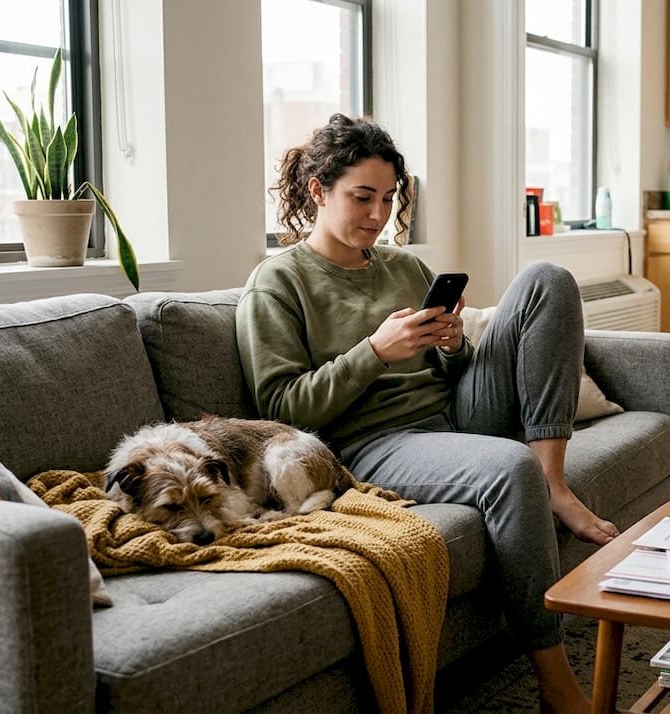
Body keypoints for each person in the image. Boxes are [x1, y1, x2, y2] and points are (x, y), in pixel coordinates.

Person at [235, 113, 617, 714]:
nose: (377, 215)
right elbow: (282, 410)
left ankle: (555, 478)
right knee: (507, 467)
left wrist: (451, 344)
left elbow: (453, 373)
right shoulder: (278, 282)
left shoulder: (405, 267)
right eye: (362, 198)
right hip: (368, 443)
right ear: (318, 190)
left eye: (388, 199)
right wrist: (374, 352)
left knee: (547, 278)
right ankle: (554, 679)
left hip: (452, 414)